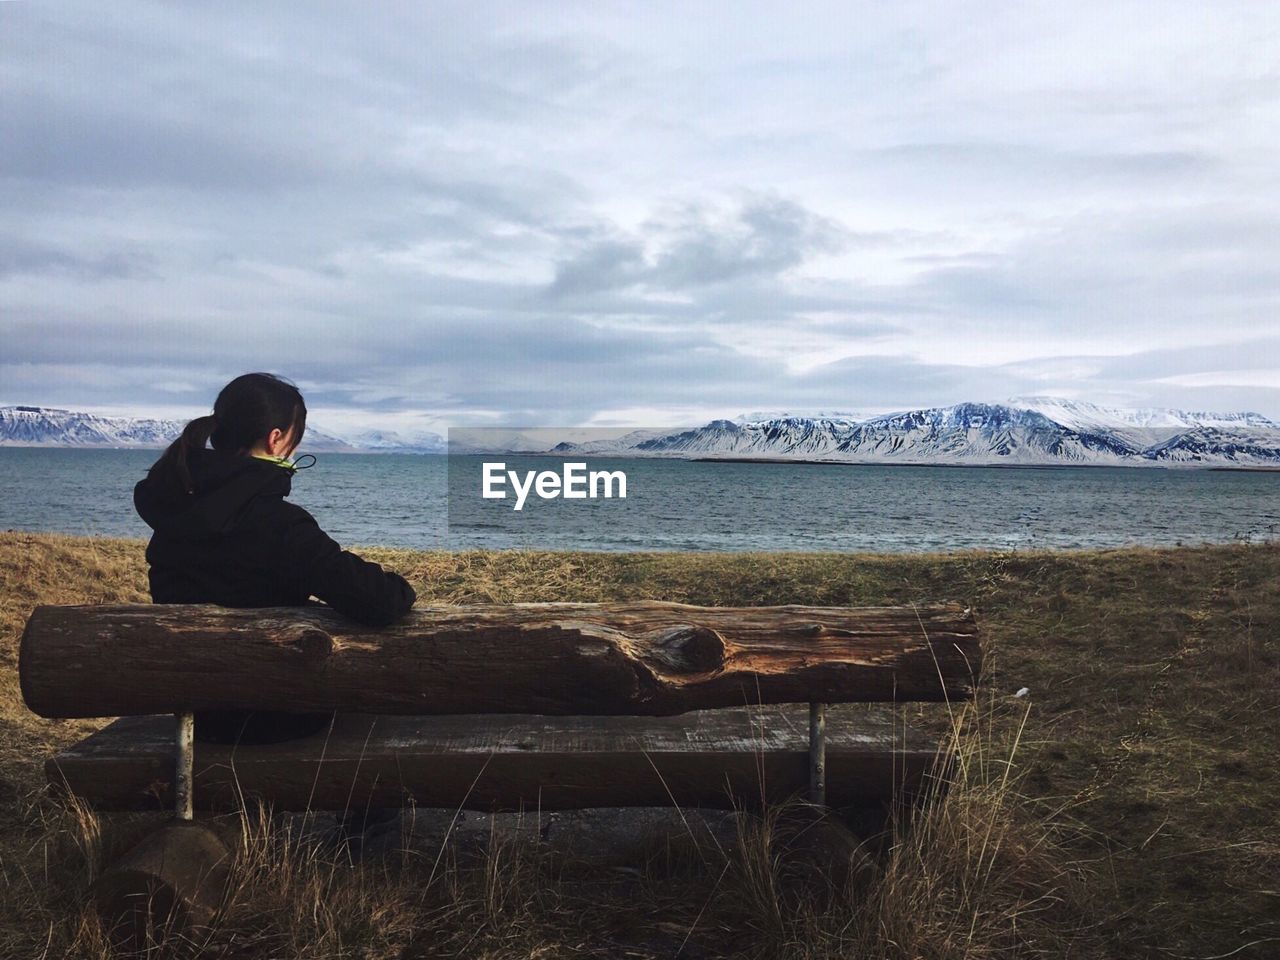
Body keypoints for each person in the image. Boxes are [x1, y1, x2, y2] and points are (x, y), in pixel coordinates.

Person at [134, 372, 417, 744]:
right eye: (295, 442)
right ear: (276, 439)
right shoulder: (281, 526)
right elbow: (377, 601)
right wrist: (404, 589)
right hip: (279, 717)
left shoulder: (172, 518)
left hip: (200, 719)